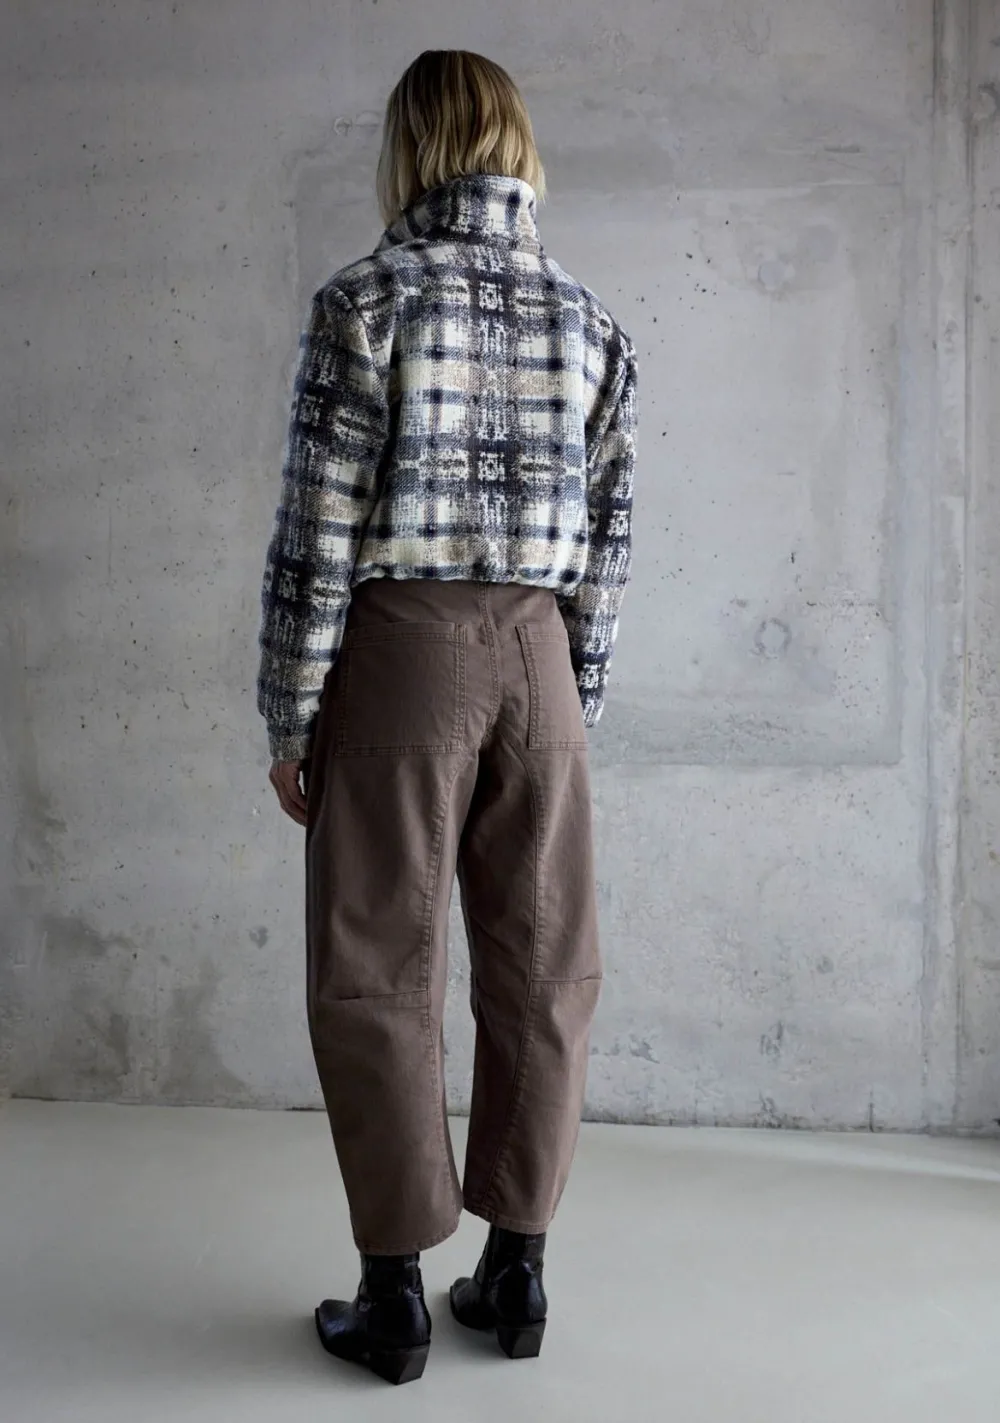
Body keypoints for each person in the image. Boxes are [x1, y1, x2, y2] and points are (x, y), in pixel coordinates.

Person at [256, 48, 637, 1385]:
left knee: (378, 961)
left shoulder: (366, 302)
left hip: (402, 654)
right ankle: (518, 1270)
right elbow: (611, 538)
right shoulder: (588, 320)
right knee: (547, 961)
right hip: (539, 653)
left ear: (410, 149)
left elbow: (317, 533)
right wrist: (575, 695)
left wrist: (293, 714)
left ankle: (395, 1297)